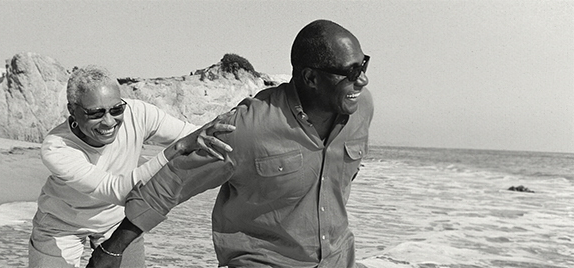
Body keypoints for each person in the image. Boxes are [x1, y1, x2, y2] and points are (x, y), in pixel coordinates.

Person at [89, 19, 374, 268]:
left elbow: (340, 178)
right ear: (311, 77)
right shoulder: (248, 127)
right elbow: (173, 182)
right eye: (350, 72)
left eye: (363, 65)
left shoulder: (361, 110)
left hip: (338, 259)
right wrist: (112, 248)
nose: (362, 79)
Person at [28, 65, 234, 267]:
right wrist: (177, 148)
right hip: (61, 224)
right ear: (72, 110)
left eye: (116, 109)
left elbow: (198, 135)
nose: (109, 122)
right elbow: (118, 191)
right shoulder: (57, 147)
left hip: (116, 221)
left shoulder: (138, 113)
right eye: (96, 114)